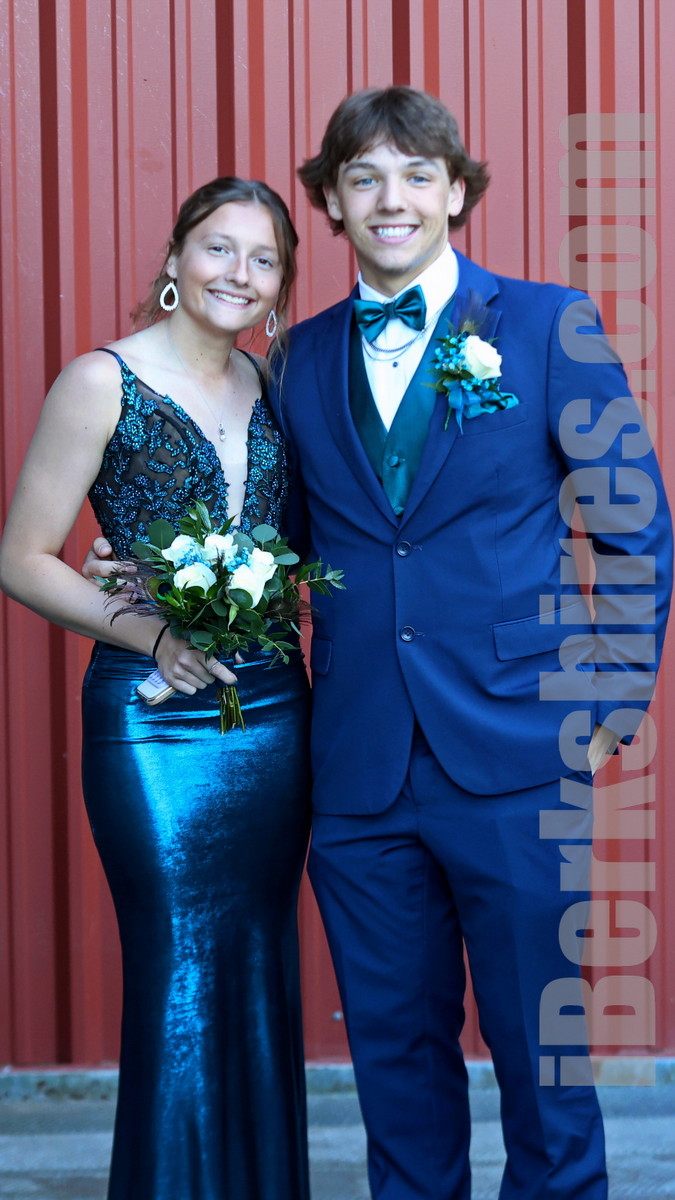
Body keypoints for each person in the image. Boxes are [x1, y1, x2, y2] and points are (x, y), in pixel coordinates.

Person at [269, 87, 671, 1199]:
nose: (389, 198)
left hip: (520, 752)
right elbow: (285, 548)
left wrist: (606, 712)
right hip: (358, 770)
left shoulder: (548, 327)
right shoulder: (295, 361)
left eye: (415, 174)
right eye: (362, 177)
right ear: (332, 204)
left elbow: (634, 530)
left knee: (543, 1061)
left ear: (455, 192)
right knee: (394, 1062)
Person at [0, 178, 312, 1200]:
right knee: (177, 964)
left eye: (263, 259)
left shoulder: (274, 385)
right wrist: (154, 631)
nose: (238, 273)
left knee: (260, 963)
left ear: (280, 285)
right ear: (176, 258)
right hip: (153, 717)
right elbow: (22, 558)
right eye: (218, 247)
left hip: (273, 715)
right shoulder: (102, 382)